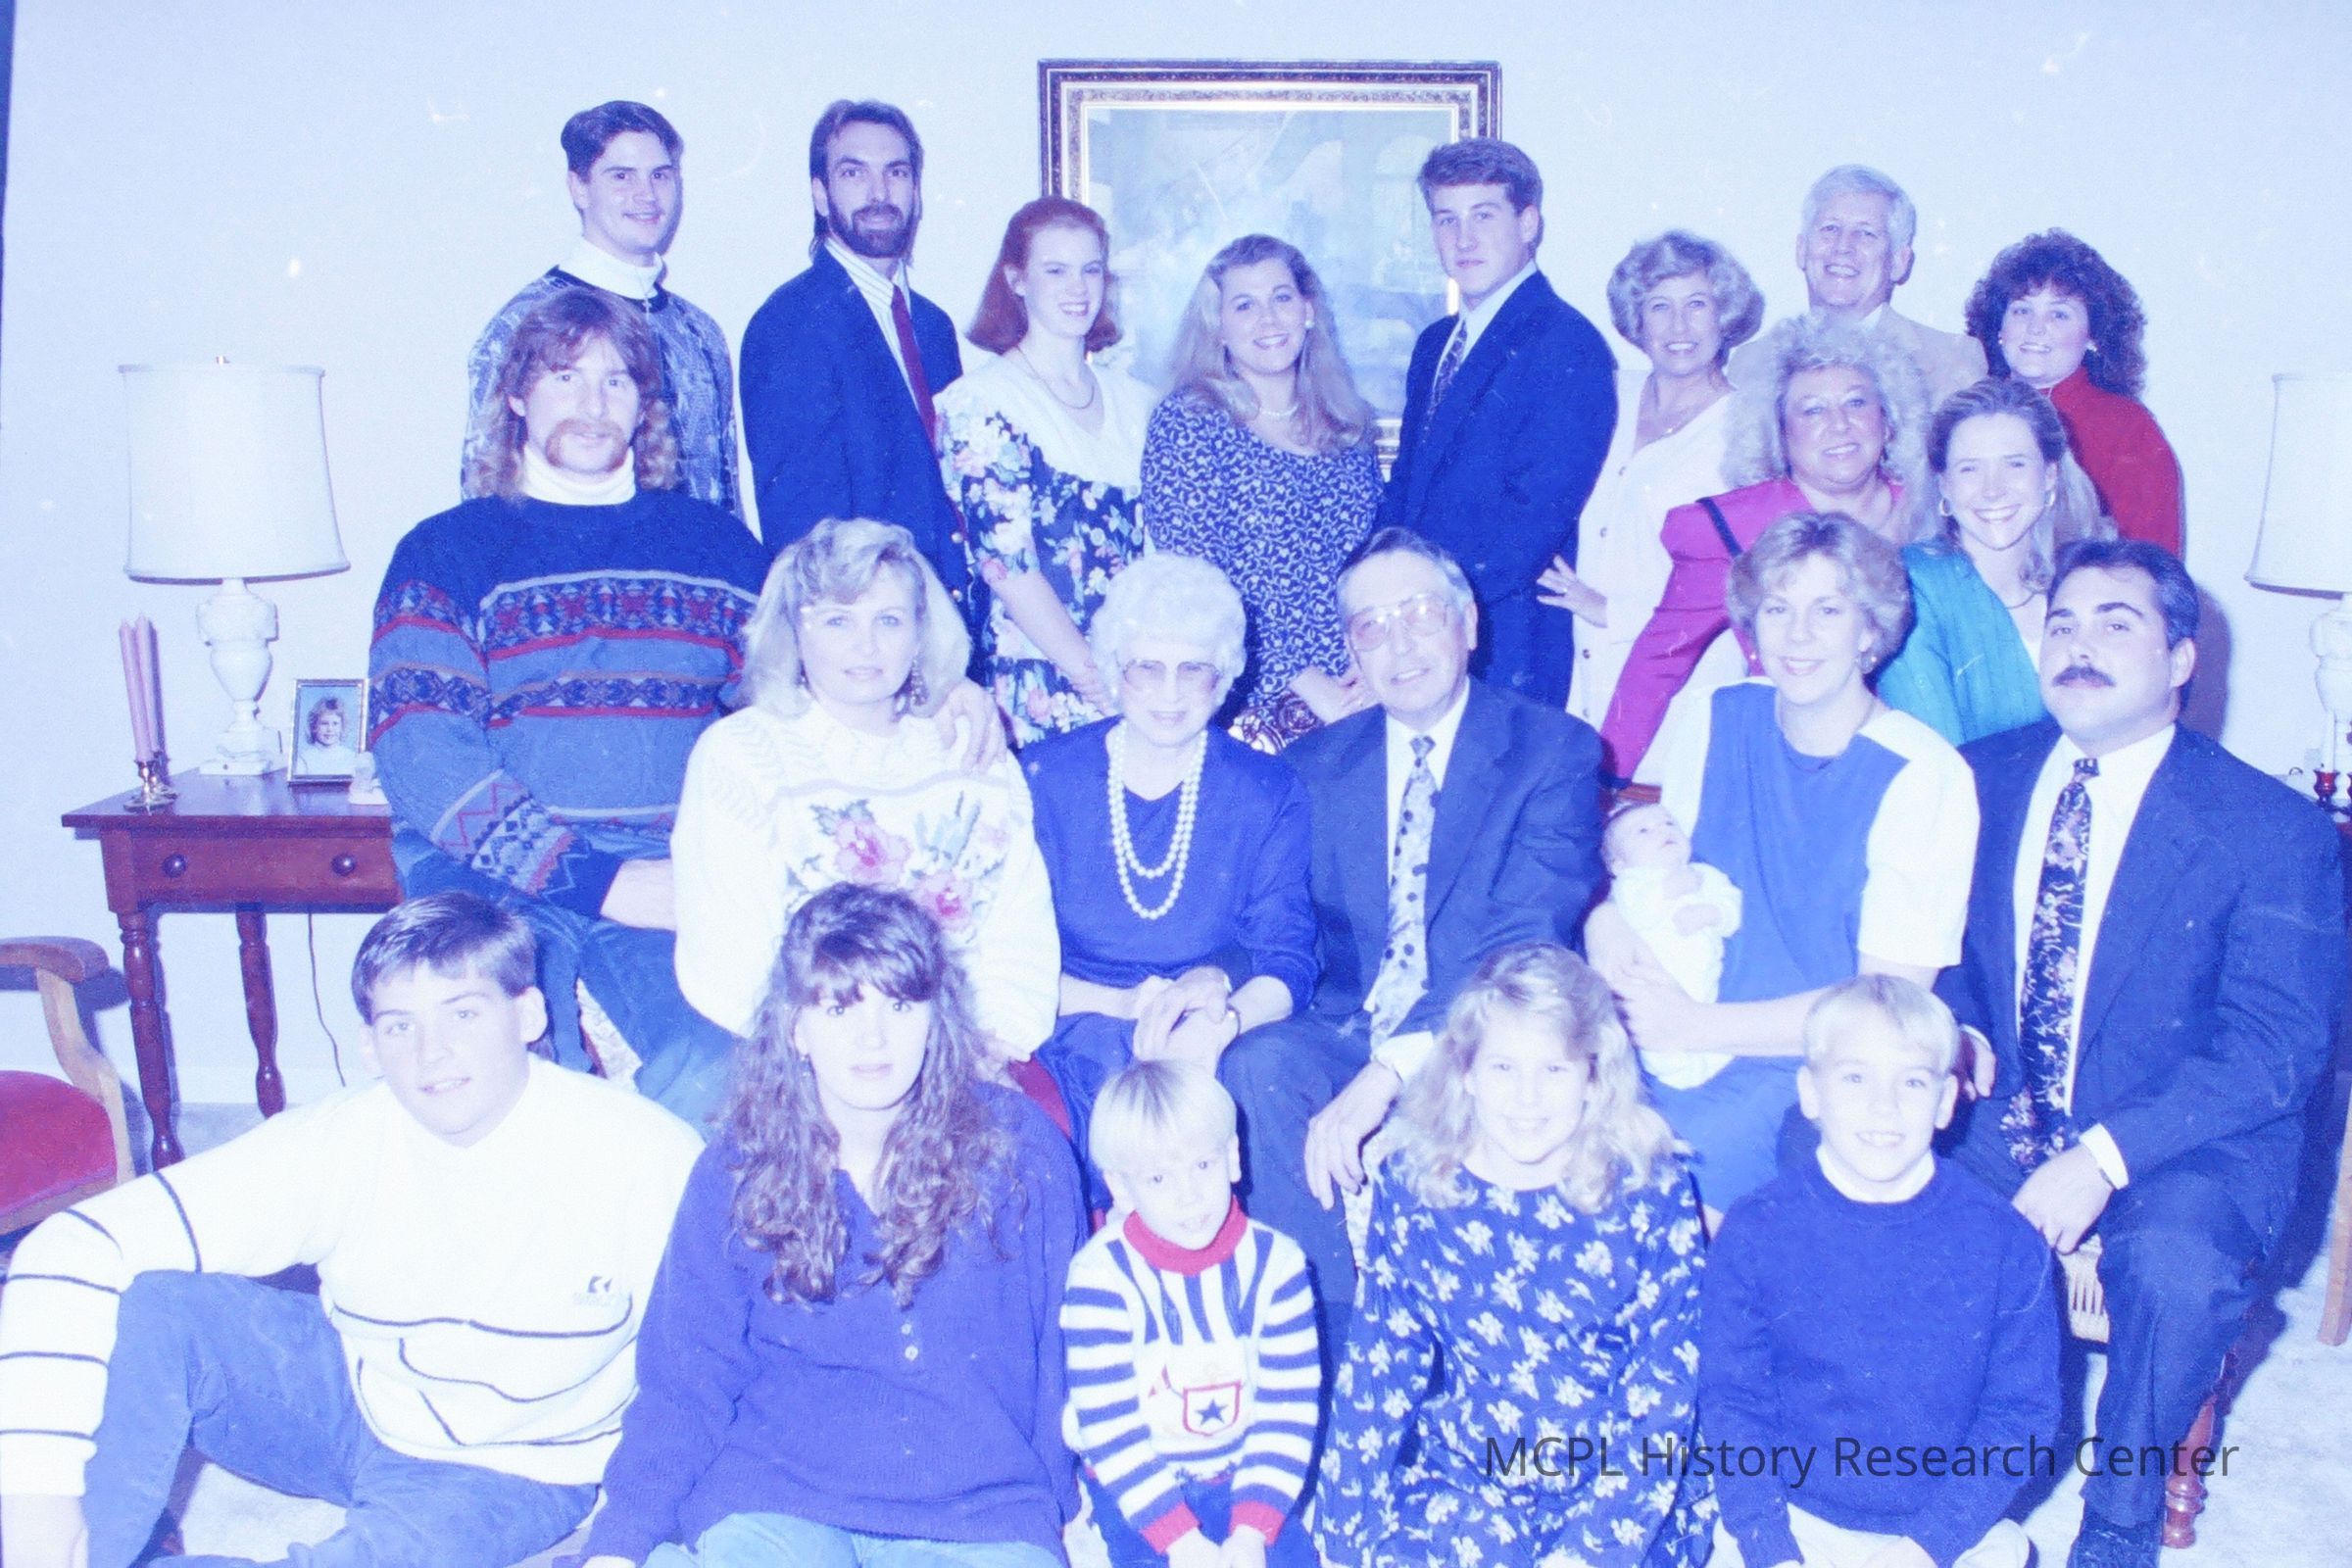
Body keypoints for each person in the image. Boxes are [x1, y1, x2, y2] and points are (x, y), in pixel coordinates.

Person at [0, 894, 703, 1568]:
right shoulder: (337, 1140)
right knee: (152, 1305)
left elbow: (712, 1370)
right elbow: (72, 1246)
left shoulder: (647, 1158)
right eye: (400, 1026)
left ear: (527, 1014)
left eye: (463, 1013)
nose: (432, 1054)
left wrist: (626, 1533)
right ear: (369, 1045)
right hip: (362, 1395)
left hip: (519, 1470)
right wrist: (37, 1497)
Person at [1937, 540, 2345, 1568]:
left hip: (2183, 1138)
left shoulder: (2274, 827)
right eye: (2063, 624)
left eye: (2115, 624)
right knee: (1835, 1163)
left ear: (2180, 659)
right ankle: (1924, 1479)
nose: (2079, 646)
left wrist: (2102, 1157)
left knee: (2177, 1267)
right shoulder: (1975, 777)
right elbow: (1937, 959)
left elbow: (2276, 1048)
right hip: (2004, 1106)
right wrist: (1958, 1039)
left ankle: (2117, 1525)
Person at [580, 884, 1087, 1567]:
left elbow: (1066, 1347)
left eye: (899, 1005)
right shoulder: (738, 1167)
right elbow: (684, 1381)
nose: (872, 1038)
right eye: (840, 1007)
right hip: (778, 1499)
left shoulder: (1018, 1148)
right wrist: (618, 1544)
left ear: (936, 1017)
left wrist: (1059, 1510)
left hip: (978, 1511)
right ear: (796, 1027)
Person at [375, 288, 768, 1127]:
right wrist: (600, 881)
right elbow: (423, 758)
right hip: (488, 880)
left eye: (616, 381)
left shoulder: (718, 547)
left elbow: (795, 703)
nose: (593, 404)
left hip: (667, 865)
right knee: (510, 1081)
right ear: (518, 394)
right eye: (565, 377)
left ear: (644, 405)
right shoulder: (444, 552)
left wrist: (943, 690)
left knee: (728, 1071)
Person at [1222, 528, 1605, 1338]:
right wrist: (1209, 990)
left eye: (1421, 614)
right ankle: (1330, 1337)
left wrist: (1387, 1074)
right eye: (1371, 626)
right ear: (1351, 652)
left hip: (1487, 1030)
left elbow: (1522, 935)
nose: (1399, 644)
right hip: (1348, 1023)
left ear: (1469, 623)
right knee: (1259, 1062)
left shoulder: (1553, 750)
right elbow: (1272, 923)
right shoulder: (1314, 767)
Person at [1596, 514, 1977, 1219]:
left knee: (1653, 1166)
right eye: (1777, 609)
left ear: (1870, 631)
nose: (1798, 635)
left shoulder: (1925, 773)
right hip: (1672, 1028)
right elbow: (1656, 876)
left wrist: (1695, 1027)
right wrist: (1605, 925)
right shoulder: (1715, 714)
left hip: (1805, 1063)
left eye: (1827, 610)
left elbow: (1885, 1005)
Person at [1314, 944, 1710, 1568]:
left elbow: (1661, 1397)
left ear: (1594, 1076)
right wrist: (1341, 1534)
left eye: (1553, 1069)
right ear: (1465, 1072)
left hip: (1621, 1491)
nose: (1528, 1098)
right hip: (1469, 1476)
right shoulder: (1417, 1185)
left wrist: (1587, 1556)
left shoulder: (1651, 1193)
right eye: (1503, 1068)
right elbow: (1380, 1362)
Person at [671, 517, 1057, 1073]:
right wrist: (844, 1054)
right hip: (807, 1058)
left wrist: (989, 1042)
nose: (866, 646)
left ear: (920, 634)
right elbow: (729, 961)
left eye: (889, 620)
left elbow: (1019, 934)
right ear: (794, 632)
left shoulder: (971, 749)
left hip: (962, 1055)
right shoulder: (741, 754)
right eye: (837, 621)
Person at [1701, 975, 2057, 1568]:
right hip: (1795, 1515)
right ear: (1810, 1092)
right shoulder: (1755, 1230)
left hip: (1944, 1527)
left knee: (2003, 1551)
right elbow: (1733, 1401)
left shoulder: (2004, 1242)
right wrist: (1770, 1546)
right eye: (1855, 1077)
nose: (1883, 1106)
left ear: (1946, 1100)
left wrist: (1926, 1548)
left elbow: (2020, 1416)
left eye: (1912, 1081)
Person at [1023, 554, 1314, 1211]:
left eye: (1194, 669)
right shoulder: (1043, 779)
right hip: (1071, 1021)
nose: (1171, 692)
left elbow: (1288, 961)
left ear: (1224, 677)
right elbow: (1006, 958)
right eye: (1147, 668)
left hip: (1206, 1026)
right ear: (1113, 669)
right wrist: (1124, 1006)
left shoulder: (1266, 790)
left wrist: (1220, 1025)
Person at [1600, 316, 1925, 779]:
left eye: (1857, 402)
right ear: (1780, 436)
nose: (1839, 424)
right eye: (1812, 411)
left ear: (1888, 422)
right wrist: (1602, 783)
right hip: (1793, 765)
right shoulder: (1734, 528)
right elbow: (1657, 664)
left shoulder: (1933, 509)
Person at [1378, 137, 1617, 706]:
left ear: (1528, 223)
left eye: (1483, 216)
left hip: (1501, 644)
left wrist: (1429, 615)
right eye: (1447, 219)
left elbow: (1532, 518)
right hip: (1418, 638)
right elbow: (1405, 489)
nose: (1464, 239)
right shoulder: (1435, 343)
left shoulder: (1566, 342)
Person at [1062, 1061, 1321, 1568]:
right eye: (1159, 1178)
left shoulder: (1278, 1266)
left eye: (1202, 1165)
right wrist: (1181, 1541)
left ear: (1232, 1157)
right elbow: (1111, 1428)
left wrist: (1250, 1533)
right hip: (1139, 1484)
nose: (1189, 1195)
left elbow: (1287, 1411)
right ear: (1121, 1188)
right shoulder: (1100, 1278)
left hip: (1246, 1471)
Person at [1144, 233, 1381, 748]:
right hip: (1253, 700)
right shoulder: (1190, 422)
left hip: (1360, 689)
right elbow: (1198, 578)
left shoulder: (1346, 425)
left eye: (1281, 298)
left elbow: (1371, 563)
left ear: (1308, 311)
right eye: (1245, 305)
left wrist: (1372, 658)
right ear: (1219, 326)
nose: (1268, 319)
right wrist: (1304, 681)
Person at [740, 100, 972, 616]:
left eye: (896, 172)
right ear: (820, 194)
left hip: (944, 624)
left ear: (916, 191)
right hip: (863, 627)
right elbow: (806, 532)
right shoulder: (791, 323)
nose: (879, 193)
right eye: (854, 173)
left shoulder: (932, 327)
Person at [940, 197, 1153, 746]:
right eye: (1055, 271)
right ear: (1016, 280)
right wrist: (1094, 678)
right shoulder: (984, 402)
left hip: (1142, 681)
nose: (1077, 288)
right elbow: (1008, 568)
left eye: (1090, 269)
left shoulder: (1138, 402)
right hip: (1044, 687)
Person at [464, 102, 742, 519]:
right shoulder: (525, 321)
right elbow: (484, 489)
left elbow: (723, 497)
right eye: (622, 176)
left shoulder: (699, 331)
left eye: (660, 175)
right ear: (579, 188)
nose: (647, 195)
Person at [1542, 231, 1761, 734]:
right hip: (1583, 672)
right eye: (1660, 306)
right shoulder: (1607, 396)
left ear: (1724, 315)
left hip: (1685, 680)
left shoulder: (1747, 427)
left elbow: (1742, 578)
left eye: (1697, 304)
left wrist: (1609, 611)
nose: (1679, 326)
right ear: (1637, 320)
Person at [1878, 377, 2109, 746]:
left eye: (2015, 465)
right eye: (1969, 468)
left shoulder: (2091, 580)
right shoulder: (1912, 585)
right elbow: (1934, 758)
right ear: (1944, 485)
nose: (1992, 490)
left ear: (2050, 475)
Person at [1965, 231, 2184, 552]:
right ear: (1999, 327)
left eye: (2059, 314)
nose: (2036, 328)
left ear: (2093, 335)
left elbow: (2151, 562)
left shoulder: (2129, 430)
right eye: (2022, 310)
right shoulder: (1967, 416)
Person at [1732, 165, 1985, 409]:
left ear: (1899, 262)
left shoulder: (1953, 360)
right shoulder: (1750, 364)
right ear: (1801, 250)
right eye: (1830, 229)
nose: (1843, 246)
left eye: (1866, 233)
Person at [1587, 799, 1741, 1090]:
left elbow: (1731, 907)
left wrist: (1712, 912)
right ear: (1618, 864)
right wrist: (1668, 890)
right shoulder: (1631, 883)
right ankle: (1671, 1069)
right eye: (1643, 831)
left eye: (1669, 823)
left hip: (1700, 972)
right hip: (1651, 974)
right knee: (1652, 1029)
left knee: (1703, 1009)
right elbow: (1634, 914)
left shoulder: (1705, 875)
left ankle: (1707, 1059)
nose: (1662, 831)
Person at [298, 695, 362, 774]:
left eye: (335, 724)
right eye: (324, 723)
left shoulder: (352, 758)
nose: (330, 729)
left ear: (342, 727)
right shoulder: (305, 759)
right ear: (314, 726)